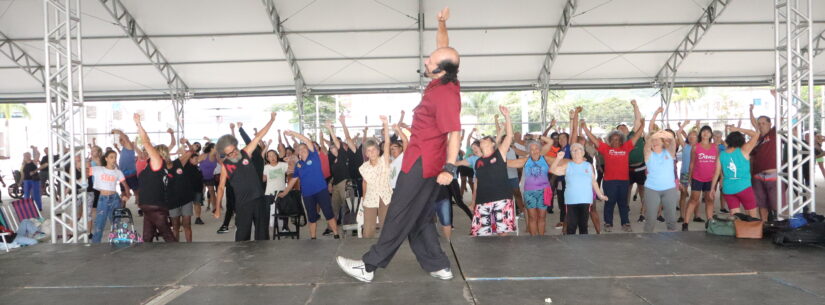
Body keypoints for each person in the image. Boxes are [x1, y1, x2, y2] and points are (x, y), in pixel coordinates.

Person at [337, 7, 458, 283]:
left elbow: (455, 133)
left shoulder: (446, 96)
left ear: (440, 70)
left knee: (399, 212)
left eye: (431, 61)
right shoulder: (446, 80)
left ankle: (368, 266)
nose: (427, 60)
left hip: (422, 163)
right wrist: (440, 23)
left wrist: (450, 167)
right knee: (420, 217)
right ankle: (439, 264)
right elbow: (444, 48)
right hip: (426, 161)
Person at [581, 100, 644, 232]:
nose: (615, 141)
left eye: (618, 139)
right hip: (609, 181)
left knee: (623, 203)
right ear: (610, 140)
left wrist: (643, 126)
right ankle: (608, 223)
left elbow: (636, 137)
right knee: (609, 202)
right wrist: (585, 128)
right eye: (613, 139)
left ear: (621, 140)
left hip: (623, 181)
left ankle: (625, 223)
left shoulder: (626, 147)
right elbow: (593, 139)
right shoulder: (605, 149)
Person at [213, 113, 277, 241]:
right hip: (243, 205)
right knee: (242, 237)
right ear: (225, 154)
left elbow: (259, 136)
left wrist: (272, 120)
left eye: (234, 150)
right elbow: (220, 188)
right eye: (229, 153)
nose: (233, 153)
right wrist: (218, 208)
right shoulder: (226, 166)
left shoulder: (246, 152)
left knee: (262, 236)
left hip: (259, 200)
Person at [279, 130, 341, 239]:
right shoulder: (298, 164)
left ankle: (336, 234)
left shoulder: (313, 156)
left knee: (328, 213)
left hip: (321, 190)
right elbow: (293, 179)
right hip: (307, 194)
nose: (302, 150)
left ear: (308, 149)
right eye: (300, 149)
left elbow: (306, 140)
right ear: (297, 152)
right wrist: (285, 192)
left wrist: (293, 134)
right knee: (311, 217)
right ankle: (313, 238)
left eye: (304, 148)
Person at [468, 106, 517, 237]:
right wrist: (473, 201)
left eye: (485, 139)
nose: (482, 140)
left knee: (502, 234)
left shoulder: (499, 154)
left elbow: (509, 136)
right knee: (481, 235)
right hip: (482, 200)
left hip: (502, 199)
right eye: (481, 139)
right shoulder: (478, 162)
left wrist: (507, 116)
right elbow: (476, 184)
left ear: (492, 144)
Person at [133, 114, 176, 242]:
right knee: (147, 236)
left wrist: (138, 124)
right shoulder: (160, 166)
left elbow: (146, 142)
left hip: (153, 205)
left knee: (168, 236)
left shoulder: (157, 161)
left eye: (150, 152)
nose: (147, 153)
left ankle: (181, 258)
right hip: (149, 205)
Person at [550, 145, 608, 235]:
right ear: (571, 154)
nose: (576, 152)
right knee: (571, 226)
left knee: (583, 226)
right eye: (573, 150)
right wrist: (558, 158)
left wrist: (600, 195)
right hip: (571, 201)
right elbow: (553, 170)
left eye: (579, 150)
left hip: (585, 200)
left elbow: (594, 182)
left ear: (583, 153)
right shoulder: (568, 165)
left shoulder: (588, 166)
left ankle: (584, 247)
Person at [641, 108, 679, 233]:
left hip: (669, 189)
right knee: (651, 218)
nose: (655, 142)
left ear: (663, 142)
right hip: (652, 188)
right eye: (653, 140)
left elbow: (673, 141)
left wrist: (664, 134)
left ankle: (673, 241)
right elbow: (647, 145)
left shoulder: (669, 152)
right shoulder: (648, 154)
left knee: (671, 218)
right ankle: (647, 242)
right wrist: (654, 135)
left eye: (658, 140)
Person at [506, 135, 554, 235]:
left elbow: (550, 142)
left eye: (536, 148)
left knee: (542, 217)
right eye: (531, 149)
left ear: (540, 149)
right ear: (528, 151)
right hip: (529, 192)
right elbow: (508, 163)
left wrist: (540, 136)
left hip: (544, 191)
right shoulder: (525, 160)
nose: (534, 151)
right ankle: (534, 240)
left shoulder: (545, 159)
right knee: (532, 217)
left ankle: (541, 238)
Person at [711, 126, 761, 218]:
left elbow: (716, 173)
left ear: (728, 140)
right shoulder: (744, 150)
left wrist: (712, 189)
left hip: (728, 188)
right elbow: (756, 134)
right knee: (752, 216)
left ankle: (739, 231)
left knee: (736, 217)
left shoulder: (722, 154)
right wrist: (738, 129)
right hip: (744, 187)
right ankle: (753, 232)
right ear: (741, 140)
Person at [358, 116, 394, 238]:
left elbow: (388, 143)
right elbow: (365, 183)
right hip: (370, 197)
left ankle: (386, 251)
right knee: (368, 229)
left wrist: (385, 124)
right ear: (366, 153)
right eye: (368, 150)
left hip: (385, 196)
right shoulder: (363, 168)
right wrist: (363, 198)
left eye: (374, 149)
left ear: (378, 151)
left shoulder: (385, 161)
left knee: (386, 226)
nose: (371, 152)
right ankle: (366, 252)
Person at [88, 150, 132, 243]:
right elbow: (85, 171)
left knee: (117, 222)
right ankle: (95, 245)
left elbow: (125, 185)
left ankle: (118, 242)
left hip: (114, 198)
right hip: (103, 198)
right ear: (106, 159)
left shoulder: (118, 172)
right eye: (111, 157)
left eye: (115, 157)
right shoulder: (98, 169)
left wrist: (127, 196)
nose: (114, 159)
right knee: (99, 224)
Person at [749, 101, 780, 220]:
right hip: (757, 175)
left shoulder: (773, 133)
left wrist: (775, 98)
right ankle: (764, 224)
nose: (761, 125)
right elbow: (753, 122)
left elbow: (779, 118)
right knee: (761, 203)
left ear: (769, 124)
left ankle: (775, 223)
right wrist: (750, 111)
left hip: (772, 174)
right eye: (759, 123)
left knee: (774, 202)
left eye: (764, 123)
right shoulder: (757, 138)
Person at [683, 125, 717, 230]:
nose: (705, 133)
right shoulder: (695, 147)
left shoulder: (715, 147)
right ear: (700, 134)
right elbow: (692, 163)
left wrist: (719, 177)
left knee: (710, 200)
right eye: (703, 131)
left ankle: (710, 222)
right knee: (694, 200)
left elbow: (717, 163)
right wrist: (689, 177)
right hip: (697, 177)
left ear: (711, 134)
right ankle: (685, 223)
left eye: (708, 132)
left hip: (710, 179)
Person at [167, 139, 195, 242]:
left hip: (186, 199)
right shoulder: (160, 169)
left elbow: (191, 150)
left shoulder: (178, 162)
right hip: (172, 201)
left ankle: (189, 245)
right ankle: (175, 248)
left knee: (187, 225)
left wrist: (187, 142)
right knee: (175, 226)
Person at [676, 121, 698, 223]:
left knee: (695, 195)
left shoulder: (700, 147)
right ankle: (681, 215)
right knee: (683, 194)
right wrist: (684, 124)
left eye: (694, 136)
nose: (691, 137)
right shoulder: (685, 146)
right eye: (690, 135)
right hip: (685, 173)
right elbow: (678, 133)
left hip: (696, 173)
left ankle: (696, 215)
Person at [263, 148, 287, 232]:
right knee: (268, 212)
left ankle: (285, 227)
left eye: (273, 155)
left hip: (282, 192)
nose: (272, 157)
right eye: (270, 156)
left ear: (277, 156)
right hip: (269, 193)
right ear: (267, 158)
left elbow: (292, 171)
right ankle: (267, 230)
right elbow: (264, 179)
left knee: (283, 210)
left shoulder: (283, 165)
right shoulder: (266, 167)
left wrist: (290, 162)